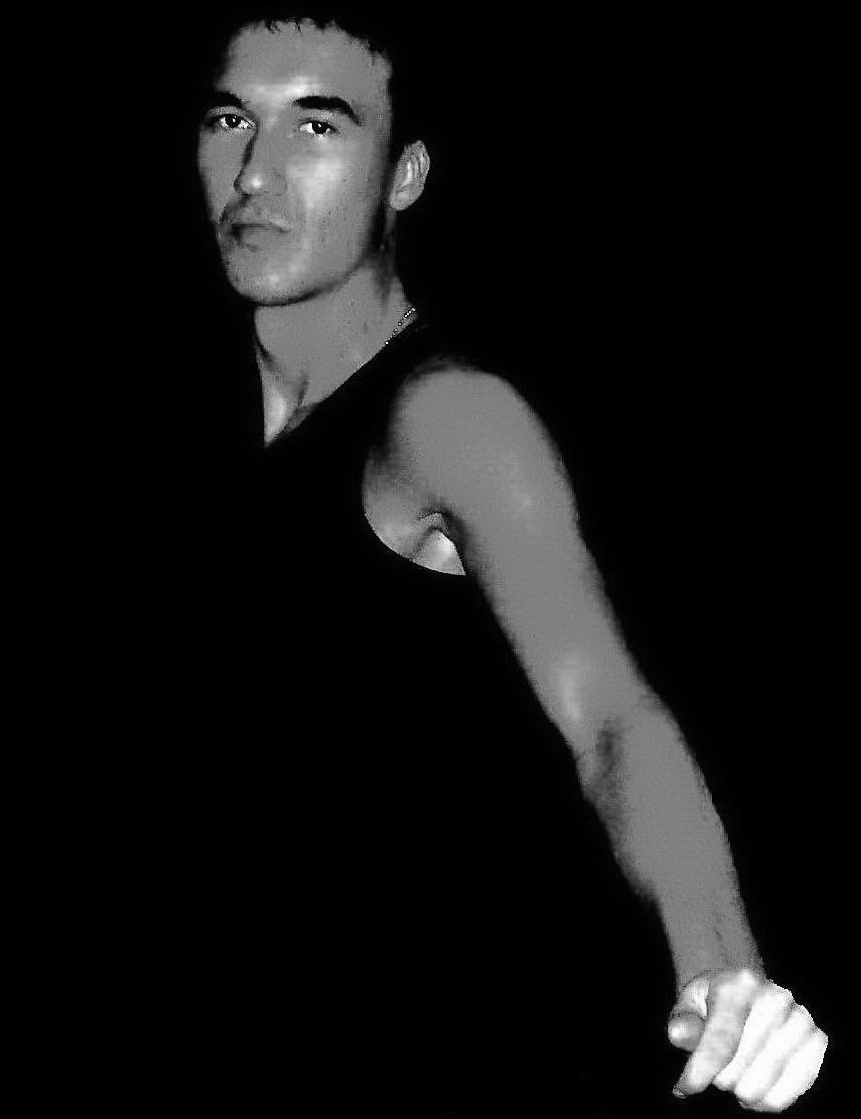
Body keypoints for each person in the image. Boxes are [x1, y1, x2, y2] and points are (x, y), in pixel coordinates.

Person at [186, 6, 829, 1115]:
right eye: (230, 120)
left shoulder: (447, 415)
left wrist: (721, 970)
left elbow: (612, 718)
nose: (256, 172)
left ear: (403, 175)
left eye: (317, 127)